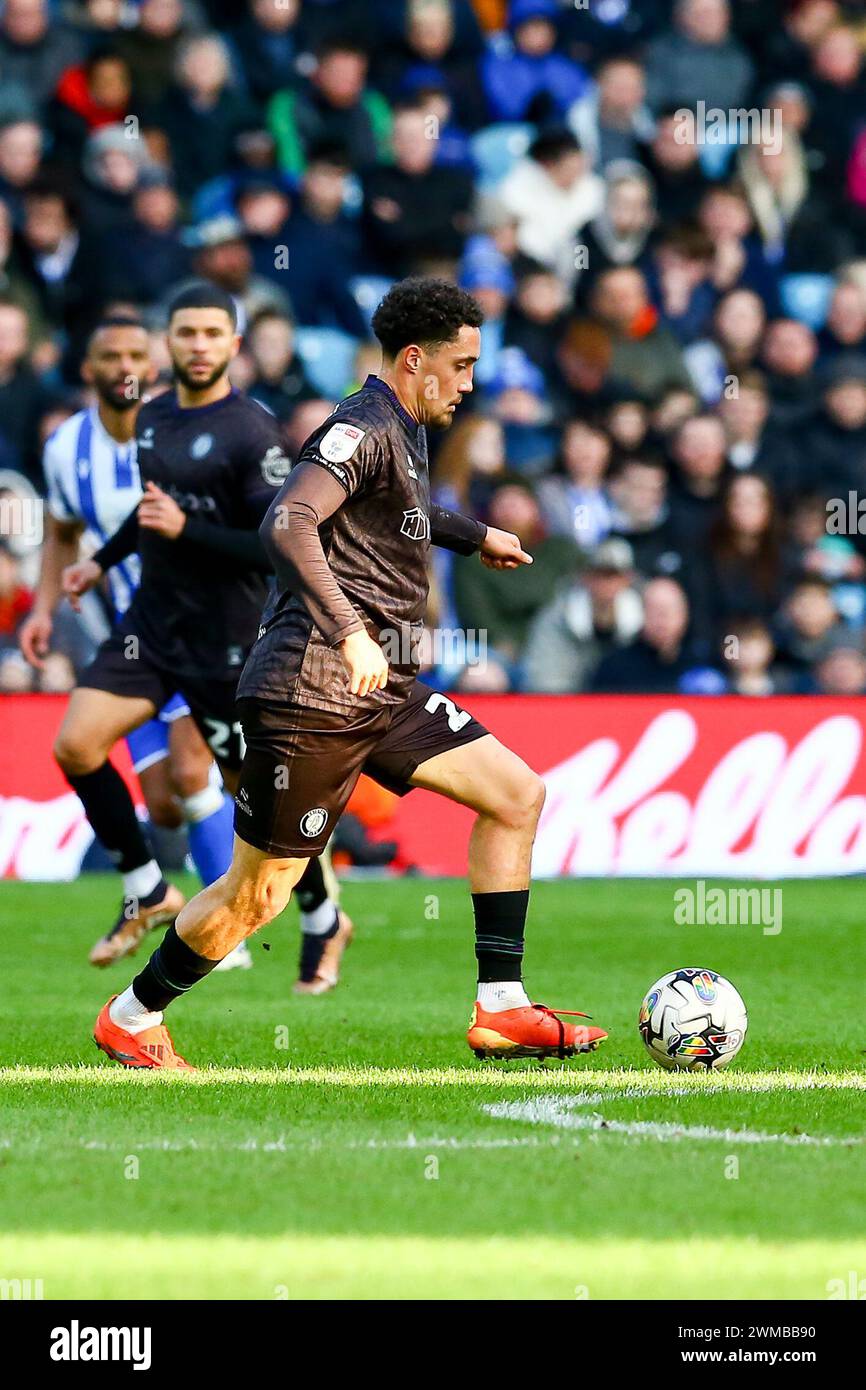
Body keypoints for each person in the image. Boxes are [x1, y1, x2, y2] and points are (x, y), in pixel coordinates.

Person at [91, 276, 608, 1069]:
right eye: (462, 366)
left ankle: (501, 1008)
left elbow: (397, 511)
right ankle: (132, 1016)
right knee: (257, 897)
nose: (471, 384)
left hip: (382, 690)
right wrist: (351, 632)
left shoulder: (404, 427)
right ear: (414, 359)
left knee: (516, 794)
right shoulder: (360, 425)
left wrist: (474, 535)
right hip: (314, 691)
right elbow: (287, 519)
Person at [56, 283, 347, 993]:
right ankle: (147, 885)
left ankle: (320, 915)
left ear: (232, 345)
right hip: (151, 630)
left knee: (254, 798)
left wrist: (189, 533)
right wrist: (100, 560)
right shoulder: (151, 420)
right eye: (184, 333)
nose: (196, 346)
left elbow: (276, 543)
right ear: (170, 343)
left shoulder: (256, 434)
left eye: (211, 335)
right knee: (75, 743)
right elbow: (154, 513)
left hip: (227, 641)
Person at [17, 314, 248, 968]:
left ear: (152, 366)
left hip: (210, 627)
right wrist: (41, 608)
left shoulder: (188, 432)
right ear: (87, 370)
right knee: (148, 794)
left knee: (190, 770)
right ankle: (149, 888)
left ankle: (226, 925)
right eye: (109, 355)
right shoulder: (66, 447)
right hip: (139, 637)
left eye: (134, 355)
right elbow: (63, 530)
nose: (123, 367)